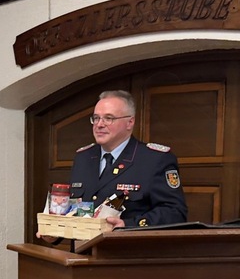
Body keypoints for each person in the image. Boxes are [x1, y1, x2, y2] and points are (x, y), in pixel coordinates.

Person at [69, 90, 187, 228]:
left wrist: (128, 225)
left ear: (130, 122)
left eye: (108, 118)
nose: (99, 124)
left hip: (127, 247)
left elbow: (175, 212)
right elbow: (73, 209)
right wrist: (55, 233)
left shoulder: (154, 160)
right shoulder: (83, 157)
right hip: (81, 248)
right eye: (96, 118)